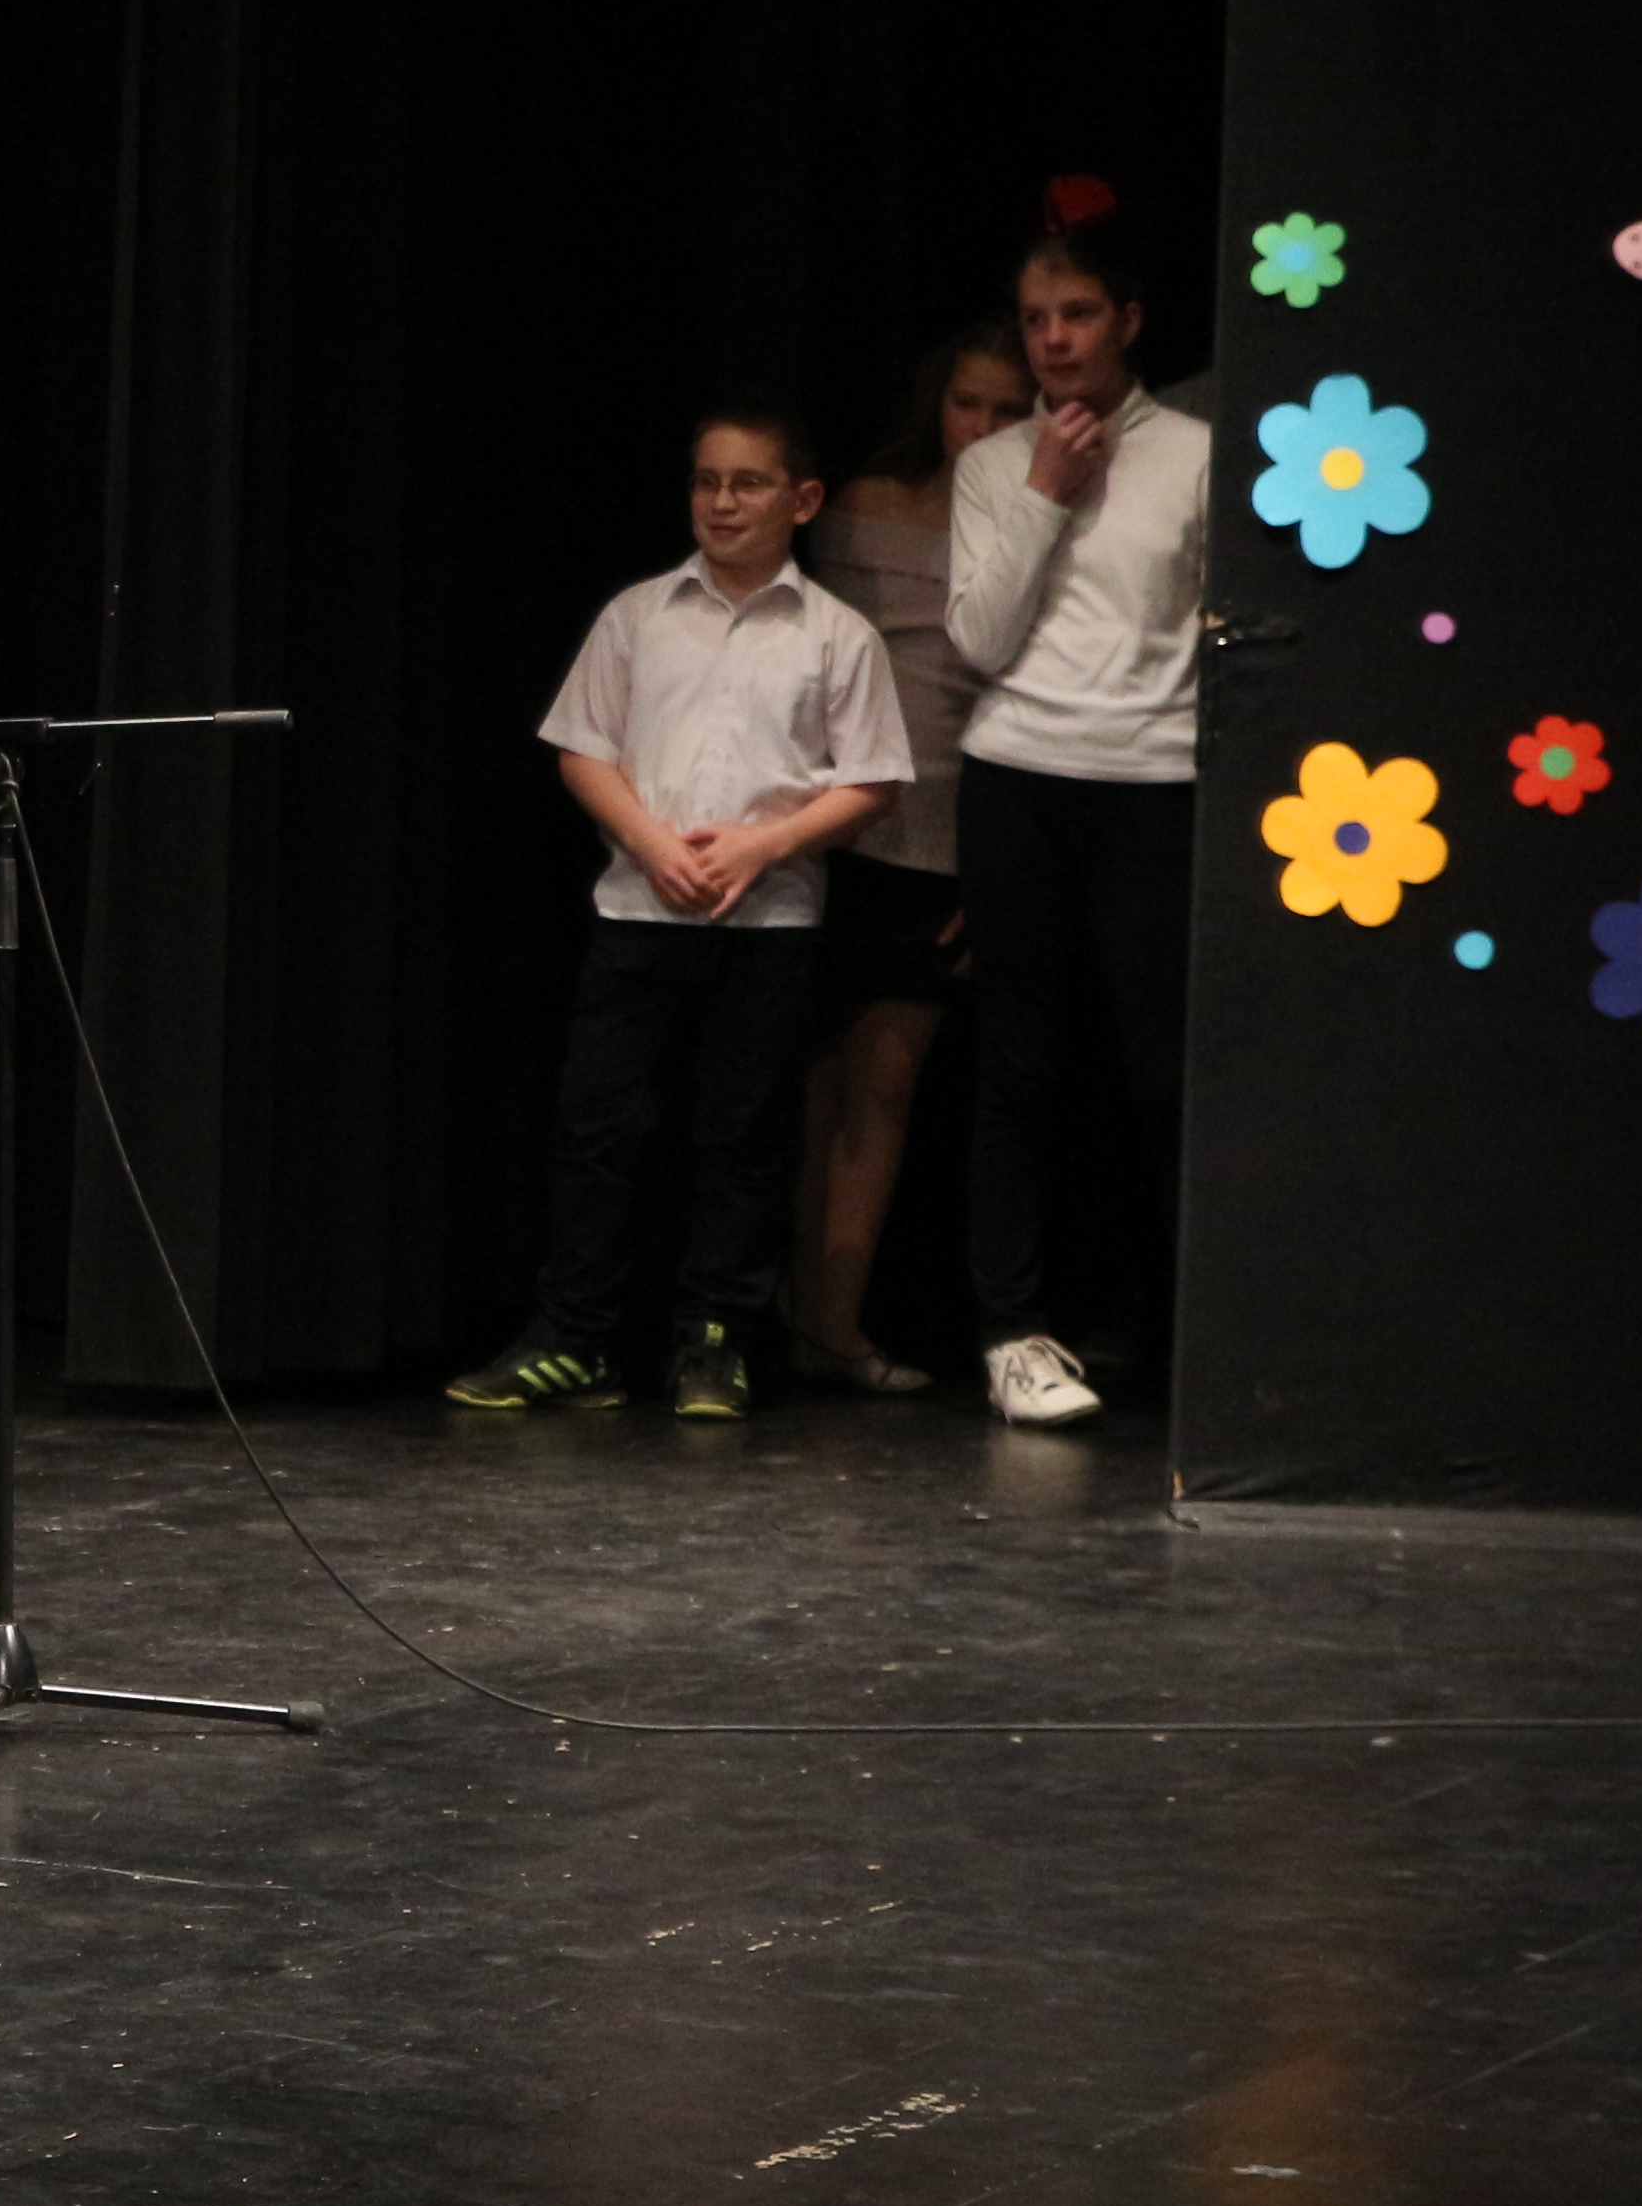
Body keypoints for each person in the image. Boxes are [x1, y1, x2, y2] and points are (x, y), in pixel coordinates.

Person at [449, 410, 910, 1421]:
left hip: (768, 926)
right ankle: (575, 1338)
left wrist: (761, 846)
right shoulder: (639, 615)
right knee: (598, 1128)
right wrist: (651, 843)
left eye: (748, 483)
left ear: (803, 500)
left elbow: (872, 779)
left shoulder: (838, 635)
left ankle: (715, 1339)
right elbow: (583, 748)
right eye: (707, 482)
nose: (722, 502)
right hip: (638, 911)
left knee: (743, 1137)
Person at [945, 186, 1208, 1429]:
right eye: (1036, 318)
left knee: (1157, 1070)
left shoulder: (1198, 455)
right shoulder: (995, 465)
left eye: (1079, 313)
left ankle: (1175, 1331)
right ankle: (1011, 1332)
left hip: (1155, 782)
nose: (1053, 338)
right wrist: (1045, 486)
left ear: (1129, 322)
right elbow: (978, 641)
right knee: (1018, 1065)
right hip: (1019, 780)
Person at [783, 320, 1032, 1392]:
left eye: (1008, 410)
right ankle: (793, 1316)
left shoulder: (1035, 527)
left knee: (885, 1079)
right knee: (811, 1080)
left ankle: (837, 1325)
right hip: (830, 823)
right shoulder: (864, 508)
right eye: (967, 403)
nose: (983, 426)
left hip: (944, 838)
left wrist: (997, 870)